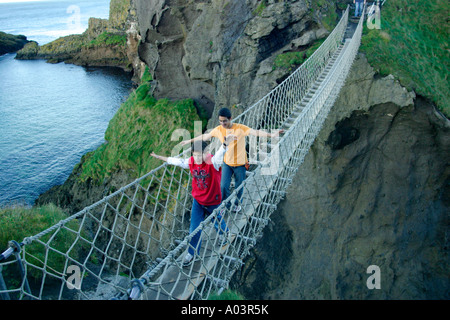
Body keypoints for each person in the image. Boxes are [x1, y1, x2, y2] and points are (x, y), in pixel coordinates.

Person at [151, 136, 235, 266]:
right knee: (194, 229)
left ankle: (224, 233)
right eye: (195, 155)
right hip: (198, 202)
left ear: (206, 153)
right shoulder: (191, 162)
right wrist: (161, 158)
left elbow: (220, 152)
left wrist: (225, 144)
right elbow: (178, 161)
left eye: (200, 155)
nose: (197, 158)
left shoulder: (213, 162)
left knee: (217, 220)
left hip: (213, 201)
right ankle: (192, 252)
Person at [180, 107, 284, 213]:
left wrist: (271, 135)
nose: (222, 123)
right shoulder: (219, 130)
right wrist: (189, 141)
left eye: (224, 121)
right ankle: (226, 205)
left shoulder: (240, 128)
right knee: (223, 186)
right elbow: (205, 136)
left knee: (239, 187)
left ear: (230, 118)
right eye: (220, 121)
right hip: (227, 163)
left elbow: (255, 132)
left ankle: (236, 205)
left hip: (240, 164)